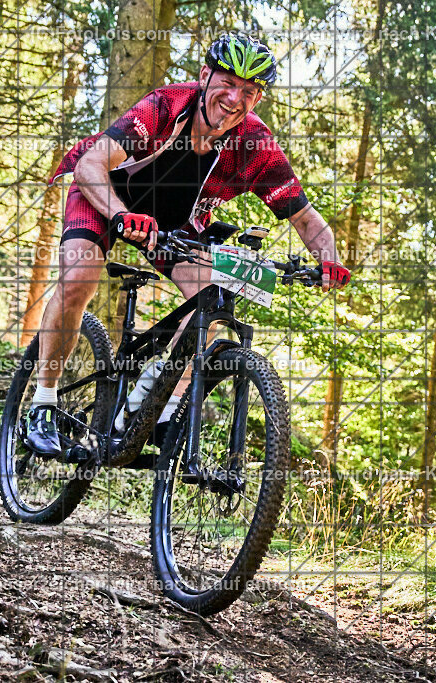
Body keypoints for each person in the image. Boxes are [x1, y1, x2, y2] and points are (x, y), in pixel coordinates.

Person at [23, 33, 352, 458]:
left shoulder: (256, 145)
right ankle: (44, 402)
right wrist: (120, 215)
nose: (235, 99)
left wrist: (329, 261)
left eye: (249, 92)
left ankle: (153, 408)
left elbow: (305, 218)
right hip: (106, 196)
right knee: (79, 278)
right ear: (204, 76)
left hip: (172, 225)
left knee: (210, 302)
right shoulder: (165, 106)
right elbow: (90, 165)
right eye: (227, 84)